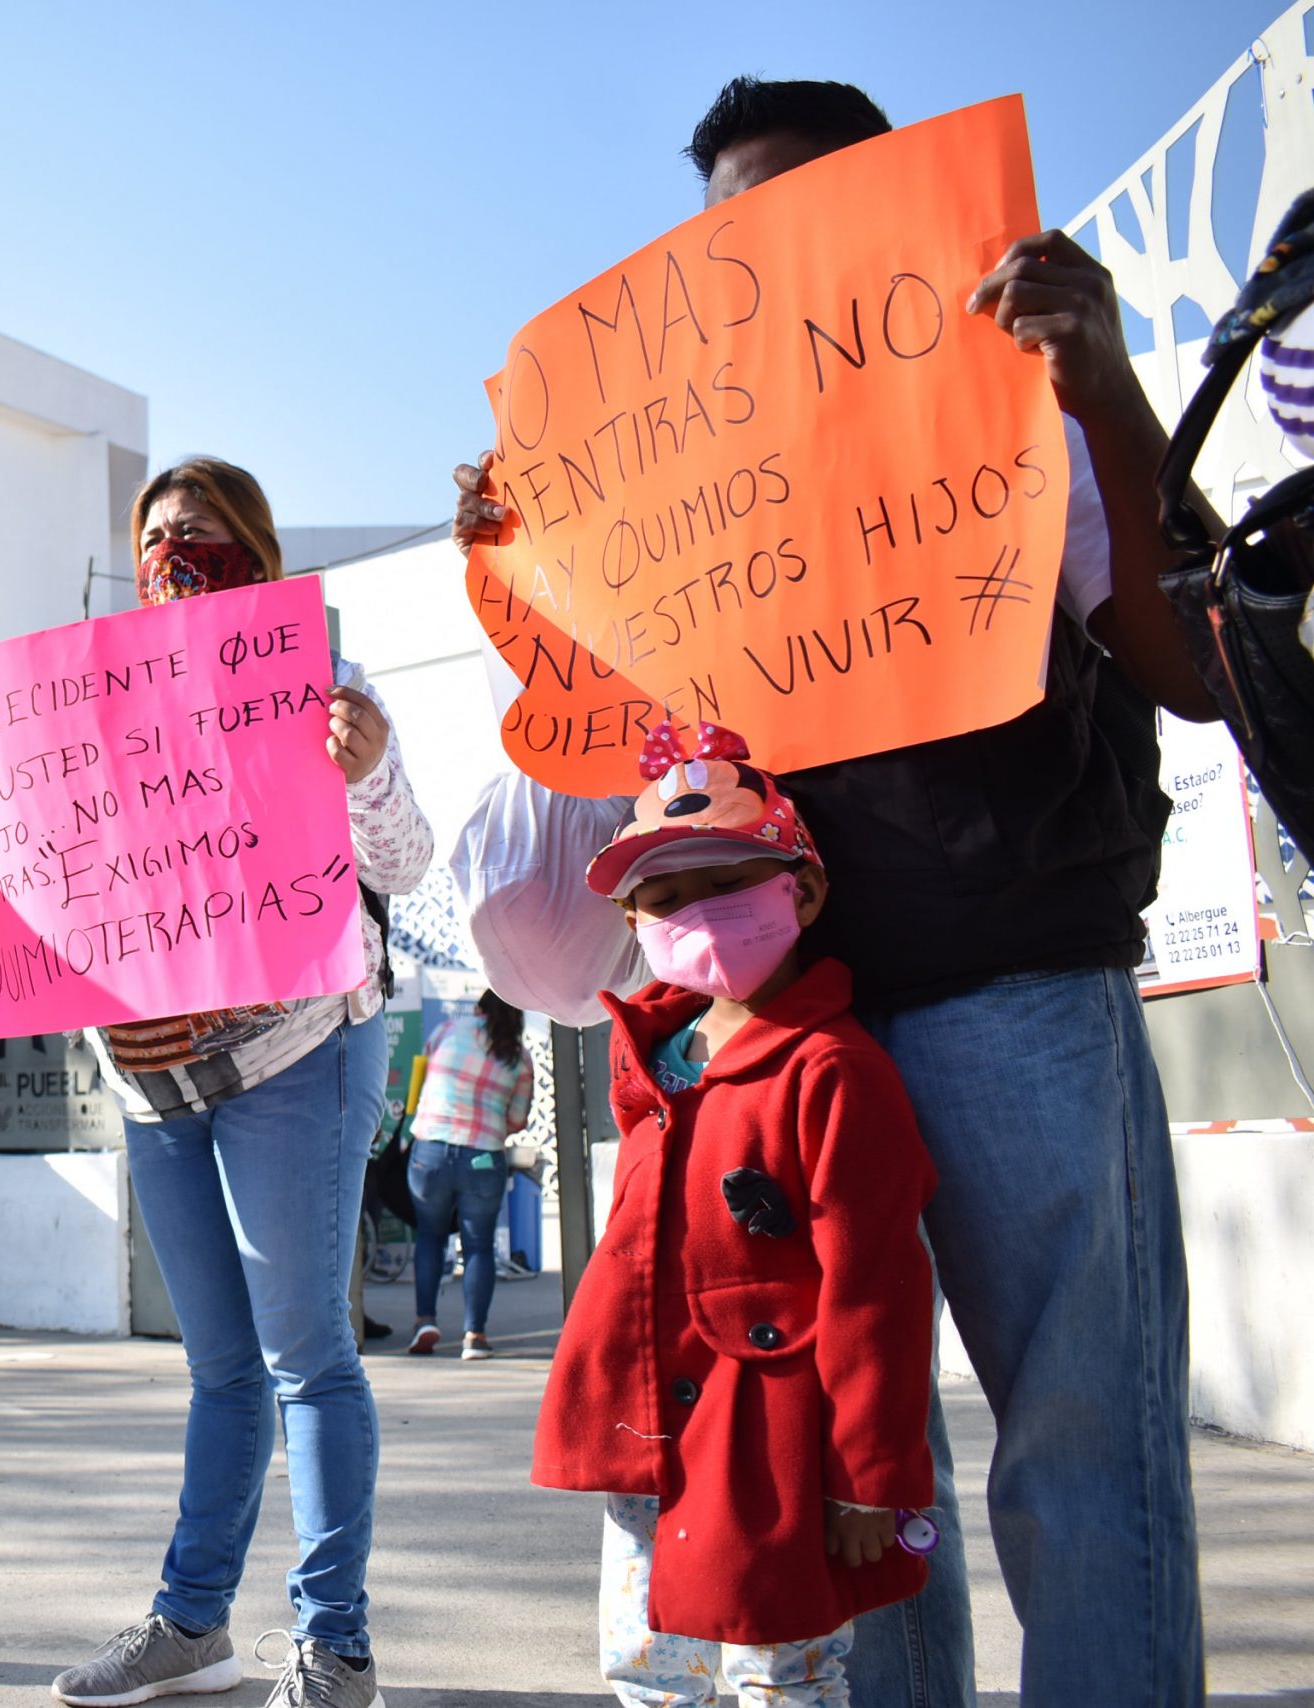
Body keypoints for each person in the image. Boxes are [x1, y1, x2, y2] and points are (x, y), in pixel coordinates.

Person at [453, 77, 1216, 1708]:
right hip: (787, 1038)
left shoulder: (1015, 399)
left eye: (805, 210)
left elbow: (1196, 660)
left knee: (1085, 1458)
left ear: (902, 210)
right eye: (731, 230)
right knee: (846, 1476)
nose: (765, 254)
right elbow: (593, 779)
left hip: (1018, 986)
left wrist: (1107, 395)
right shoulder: (678, 492)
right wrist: (533, 575)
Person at [51, 458, 434, 1708]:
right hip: (155, 1080)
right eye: (156, 535)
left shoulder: (322, 680)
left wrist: (366, 765)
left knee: (308, 1357)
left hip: (295, 1055)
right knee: (218, 1367)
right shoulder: (96, 711)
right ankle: (192, 1622)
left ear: (257, 553)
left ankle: (336, 1647)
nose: (174, 553)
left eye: (201, 534)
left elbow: (407, 859)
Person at [538, 721, 938, 1706]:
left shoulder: (832, 1070)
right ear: (633, 924)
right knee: (647, 1669)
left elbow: (876, 1286)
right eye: (662, 900)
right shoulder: (651, 1066)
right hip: (647, 1437)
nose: (695, 915)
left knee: (780, 1664)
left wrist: (865, 1476)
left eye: (724, 883)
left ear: (798, 889)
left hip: (771, 1444)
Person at [404, 991, 533, 1358]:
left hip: (431, 1151)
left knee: (430, 1237)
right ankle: (474, 1335)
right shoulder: (520, 1059)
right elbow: (517, 1120)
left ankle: (425, 1321)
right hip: (482, 1157)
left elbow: (422, 1076)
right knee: (478, 1246)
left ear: (479, 1009)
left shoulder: (448, 1030)